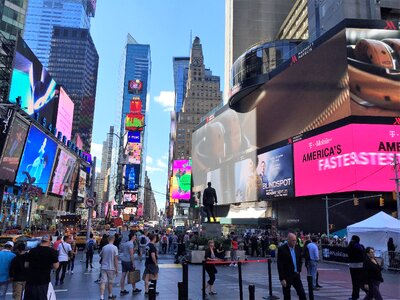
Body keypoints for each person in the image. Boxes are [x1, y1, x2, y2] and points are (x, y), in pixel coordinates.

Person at [24, 235, 59, 300]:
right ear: (49, 241)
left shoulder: (32, 251)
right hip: (43, 280)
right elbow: (56, 266)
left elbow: (26, 265)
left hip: (30, 280)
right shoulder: (52, 252)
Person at [277, 232, 306, 300]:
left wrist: (299, 270)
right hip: (287, 276)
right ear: (288, 240)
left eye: (295, 240)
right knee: (287, 295)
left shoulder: (297, 248)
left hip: (296, 274)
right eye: (293, 240)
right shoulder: (282, 249)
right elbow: (280, 264)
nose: (295, 242)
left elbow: (300, 260)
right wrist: (282, 278)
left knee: (302, 293)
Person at [99, 235, 118, 300]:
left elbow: (101, 255)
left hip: (104, 267)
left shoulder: (104, 247)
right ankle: (110, 295)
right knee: (110, 282)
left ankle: (101, 297)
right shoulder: (115, 248)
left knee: (103, 282)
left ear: (108, 240)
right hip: (111, 267)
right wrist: (117, 268)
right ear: (113, 239)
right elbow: (116, 259)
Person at [348, 235, 366, 300]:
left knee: (355, 282)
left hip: (353, 266)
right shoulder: (361, 246)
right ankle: (369, 293)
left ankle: (355, 296)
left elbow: (348, 252)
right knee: (360, 281)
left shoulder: (351, 246)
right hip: (361, 265)